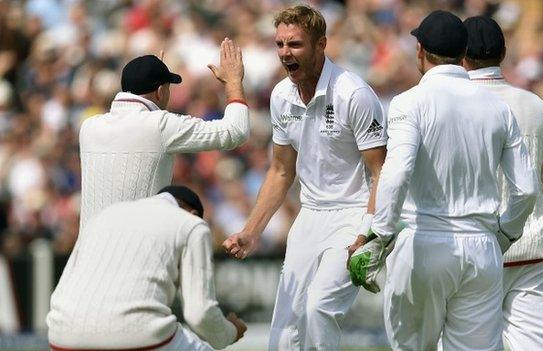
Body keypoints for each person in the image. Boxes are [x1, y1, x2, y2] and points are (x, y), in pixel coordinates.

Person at [352, 10, 537, 350]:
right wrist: (505, 234)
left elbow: (397, 172)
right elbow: (526, 188)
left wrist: (379, 236)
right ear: (462, 51)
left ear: (420, 50)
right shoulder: (497, 108)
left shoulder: (409, 102)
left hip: (424, 243)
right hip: (482, 249)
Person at [222, 5, 387, 350]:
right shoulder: (281, 96)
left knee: (319, 308)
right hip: (309, 217)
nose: (285, 53)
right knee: (282, 333)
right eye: (280, 44)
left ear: (321, 44)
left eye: (295, 45)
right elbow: (281, 170)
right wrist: (252, 231)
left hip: (352, 215)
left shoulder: (353, 94)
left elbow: (380, 171)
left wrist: (369, 231)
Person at [463, 16, 543, 350]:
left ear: (460, 56)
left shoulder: (450, 105)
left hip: (471, 253)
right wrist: (528, 216)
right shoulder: (534, 104)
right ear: (504, 52)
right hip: (531, 256)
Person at [46, 185, 247, 350]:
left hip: (61, 334)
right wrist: (229, 332)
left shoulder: (103, 215)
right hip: (136, 334)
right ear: (193, 213)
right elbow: (199, 313)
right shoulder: (192, 224)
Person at [79, 38, 249, 230]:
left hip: (86, 254)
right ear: (160, 91)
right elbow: (236, 131)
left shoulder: (88, 127)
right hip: (135, 254)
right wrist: (234, 82)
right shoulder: (161, 126)